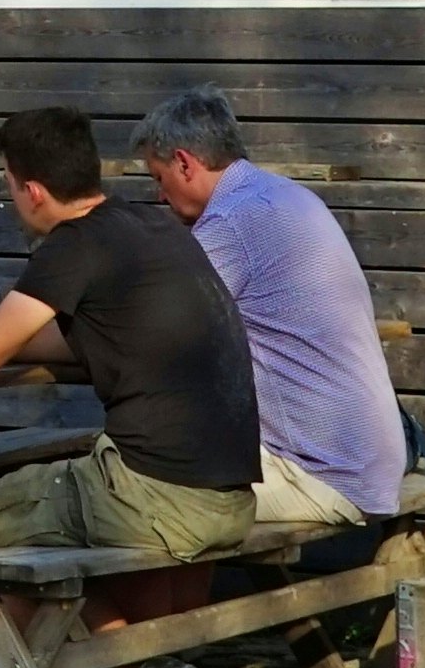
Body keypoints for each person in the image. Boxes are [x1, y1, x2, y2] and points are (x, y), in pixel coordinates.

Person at [0, 105, 260, 668]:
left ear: (31, 188)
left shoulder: (72, 246)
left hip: (153, 497)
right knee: (44, 526)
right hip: (228, 493)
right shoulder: (147, 224)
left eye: (10, 187)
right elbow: (78, 335)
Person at [132, 88, 404, 529]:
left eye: (158, 178)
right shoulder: (284, 196)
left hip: (320, 472)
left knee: (126, 500)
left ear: (184, 163)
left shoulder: (231, 222)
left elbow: (149, 330)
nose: (158, 196)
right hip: (367, 462)